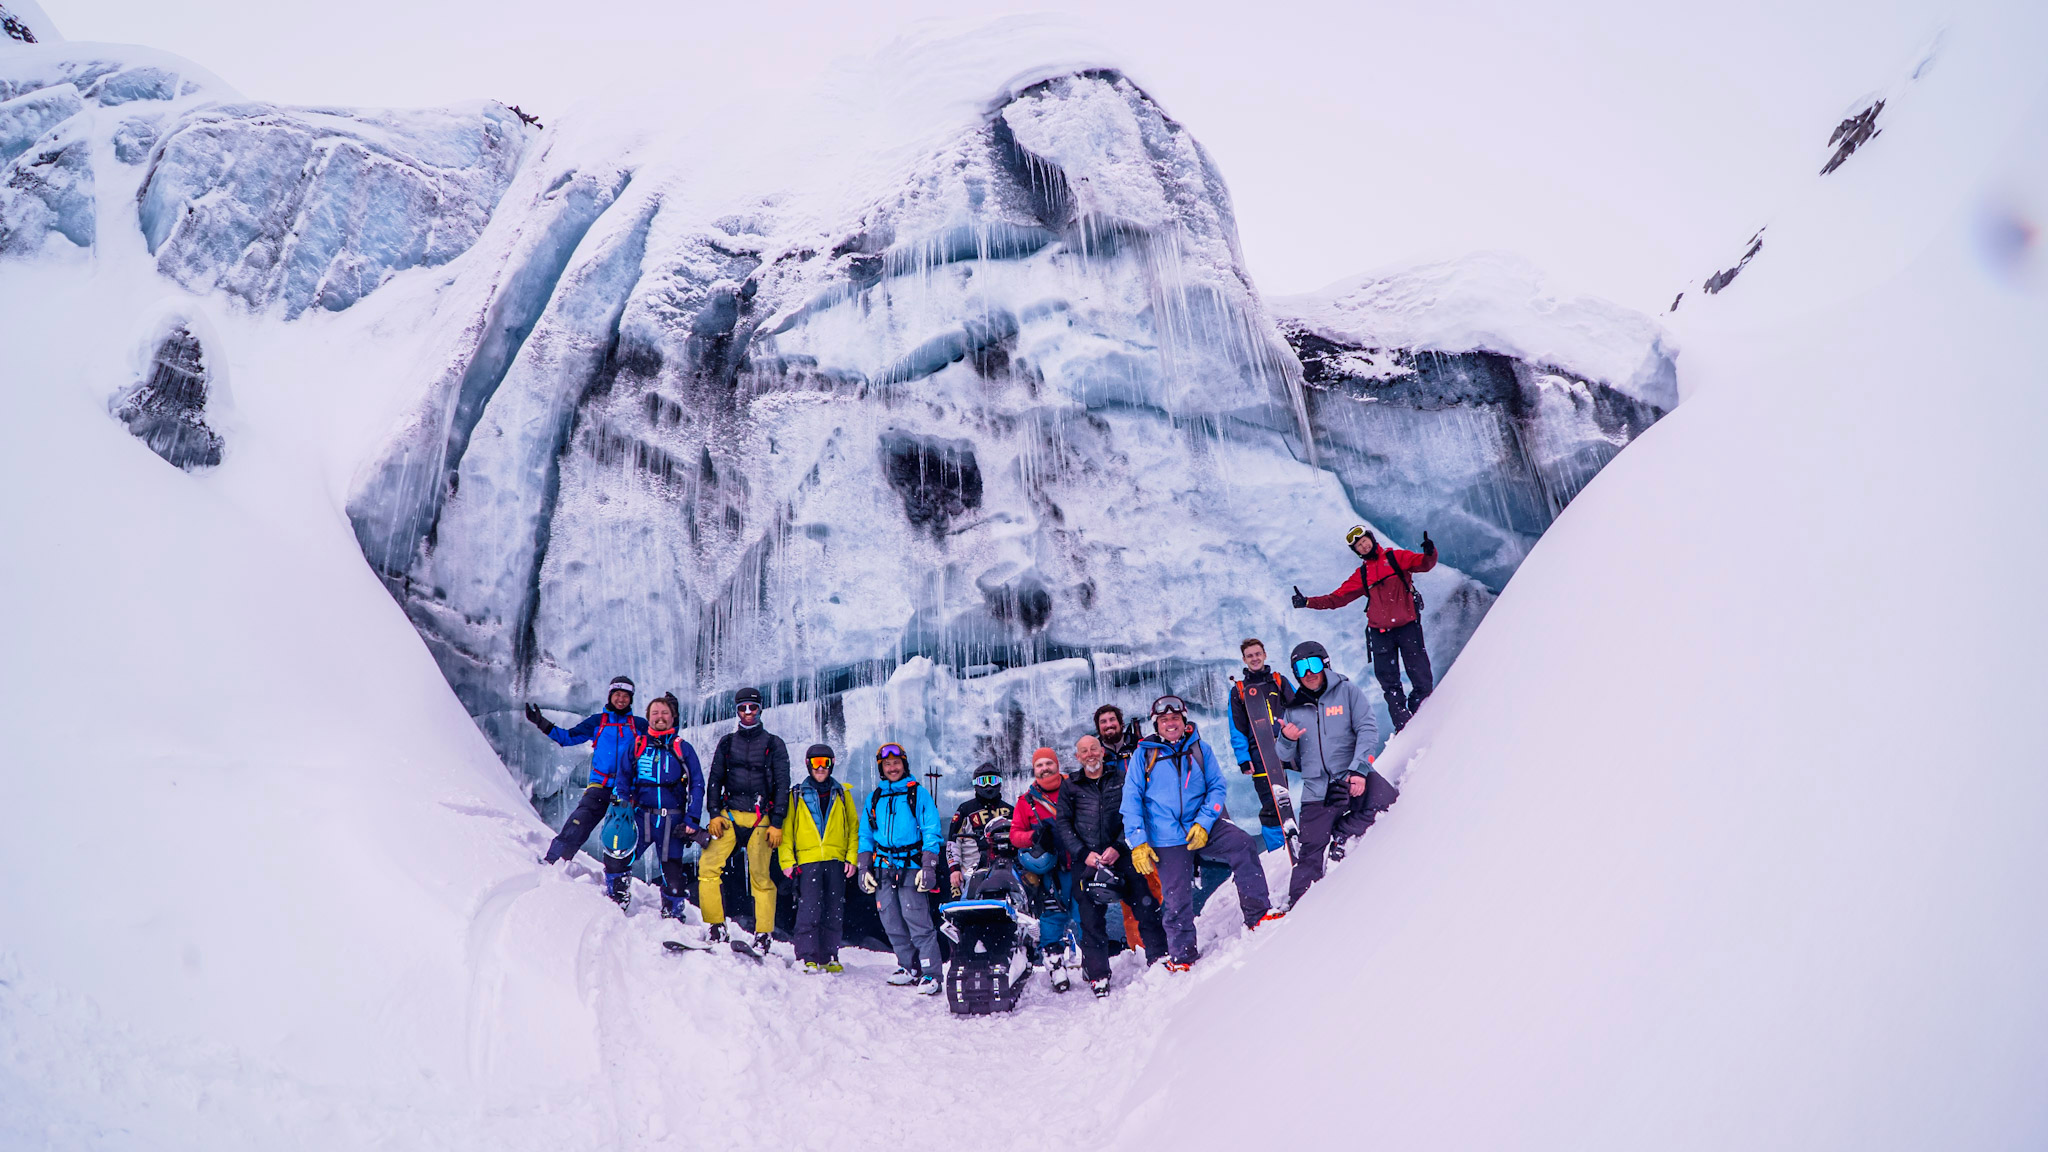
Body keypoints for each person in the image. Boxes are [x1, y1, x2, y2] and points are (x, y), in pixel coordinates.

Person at [1120, 695, 1278, 971]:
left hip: (1203, 827)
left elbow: (1217, 787)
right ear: (1157, 724)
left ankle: (1258, 914)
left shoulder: (1200, 749)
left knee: (1242, 844)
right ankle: (1183, 957)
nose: (1171, 724)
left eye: (1175, 718)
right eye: (1164, 720)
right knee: (1176, 897)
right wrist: (1138, 842)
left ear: (1184, 721)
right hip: (1166, 838)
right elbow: (1131, 800)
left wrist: (1204, 822)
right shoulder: (1143, 756)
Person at [1274, 640, 1392, 907]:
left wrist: (1358, 771)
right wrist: (1287, 738)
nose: (1308, 673)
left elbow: (1367, 729)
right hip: (1317, 790)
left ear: (1325, 664)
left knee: (1387, 801)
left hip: (1350, 776)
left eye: (1313, 665)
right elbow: (1282, 755)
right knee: (1310, 852)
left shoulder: (1348, 692)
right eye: (1301, 668)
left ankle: (1342, 832)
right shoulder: (1293, 708)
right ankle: (1299, 909)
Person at [1292, 525, 1439, 731]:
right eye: (1359, 546)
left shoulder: (1396, 558)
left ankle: (1422, 713)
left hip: (1407, 627)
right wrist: (1308, 602)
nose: (1363, 546)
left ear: (1371, 539)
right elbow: (1337, 598)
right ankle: (1404, 726)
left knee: (1421, 675)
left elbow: (1424, 564)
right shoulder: (1362, 574)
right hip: (1380, 634)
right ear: (1357, 551)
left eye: (1364, 541)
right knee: (1389, 684)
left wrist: (1430, 553)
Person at [1056, 734, 1167, 997]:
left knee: (1145, 905)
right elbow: (1063, 824)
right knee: (1091, 919)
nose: (1090, 754)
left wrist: (1118, 846)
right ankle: (1098, 975)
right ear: (1078, 757)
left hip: (1122, 854)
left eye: (1094, 749)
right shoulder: (1070, 786)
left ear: (1102, 752)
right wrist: (1084, 853)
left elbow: (1134, 813)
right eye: (1084, 751)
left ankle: (1159, 957)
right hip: (1087, 860)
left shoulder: (1121, 778)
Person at [699, 687, 791, 954]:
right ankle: (716, 926)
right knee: (707, 867)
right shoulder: (727, 743)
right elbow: (715, 779)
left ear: (760, 709)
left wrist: (777, 822)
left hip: (761, 818)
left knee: (761, 876)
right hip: (729, 815)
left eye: (752, 707)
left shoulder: (774, 744)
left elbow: (782, 785)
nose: (748, 712)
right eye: (743, 708)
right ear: (737, 711)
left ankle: (763, 934)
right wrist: (713, 814)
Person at [527, 676, 646, 865]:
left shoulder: (639, 725)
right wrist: (542, 723)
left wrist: (673, 716)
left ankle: (617, 877)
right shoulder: (597, 722)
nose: (621, 699)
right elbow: (568, 738)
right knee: (578, 823)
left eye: (625, 696)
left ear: (631, 699)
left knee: (622, 835)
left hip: (626, 789)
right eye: (617, 694)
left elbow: (661, 739)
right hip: (600, 785)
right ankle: (555, 861)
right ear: (610, 696)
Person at [858, 742, 944, 995]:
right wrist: (863, 868)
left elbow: (931, 831)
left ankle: (931, 973)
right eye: (887, 764)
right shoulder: (875, 798)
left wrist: (928, 867)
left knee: (918, 921)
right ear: (881, 769)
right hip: (883, 868)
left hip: (911, 866)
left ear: (904, 765)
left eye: (896, 763)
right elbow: (866, 836)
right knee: (892, 921)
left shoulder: (918, 794)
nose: (892, 768)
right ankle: (908, 966)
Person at [614, 693, 704, 917]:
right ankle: (616, 900)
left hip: (672, 822)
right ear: (648, 717)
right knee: (619, 857)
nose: (660, 717)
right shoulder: (638, 745)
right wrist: (621, 804)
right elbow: (623, 777)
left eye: (665, 713)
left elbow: (697, 784)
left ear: (673, 717)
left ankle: (673, 915)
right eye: (655, 713)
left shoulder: (683, 748)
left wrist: (692, 818)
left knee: (674, 877)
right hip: (641, 816)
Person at [778, 744, 858, 975]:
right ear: (808, 764)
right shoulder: (797, 794)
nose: (820, 768)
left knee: (834, 911)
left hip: (835, 859)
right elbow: (787, 831)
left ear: (832, 764)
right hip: (808, 860)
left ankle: (829, 956)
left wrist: (851, 858)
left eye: (825, 762)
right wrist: (787, 862)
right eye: (816, 763)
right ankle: (806, 956)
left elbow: (853, 828)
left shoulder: (842, 793)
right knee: (809, 910)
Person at [1010, 747, 1077, 991]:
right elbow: (1015, 835)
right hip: (1051, 872)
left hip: (1081, 866)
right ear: (1034, 769)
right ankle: (1056, 968)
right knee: (1051, 919)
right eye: (1039, 765)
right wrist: (1034, 837)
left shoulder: (1075, 789)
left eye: (1049, 763)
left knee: (1088, 917)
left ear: (1057, 765)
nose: (1044, 768)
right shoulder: (1026, 801)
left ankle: (1093, 964)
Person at [1226, 638, 1295, 852]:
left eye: (1258, 654)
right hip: (1259, 754)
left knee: (1298, 792)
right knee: (1271, 804)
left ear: (1264, 655)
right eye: (1250, 656)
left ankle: (1301, 835)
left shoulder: (1279, 681)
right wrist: (1243, 758)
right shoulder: (1239, 691)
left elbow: (1298, 710)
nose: (1255, 658)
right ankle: (1278, 848)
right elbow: (1236, 727)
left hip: (1286, 746)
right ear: (1244, 659)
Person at [946, 764, 1014, 896]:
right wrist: (954, 869)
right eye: (983, 781)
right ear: (975, 784)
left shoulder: (1010, 811)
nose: (988, 786)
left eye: (993, 780)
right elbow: (953, 842)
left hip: (1005, 869)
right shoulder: (965, 810)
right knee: (966, 903)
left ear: (1000, 783)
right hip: (970, 871)